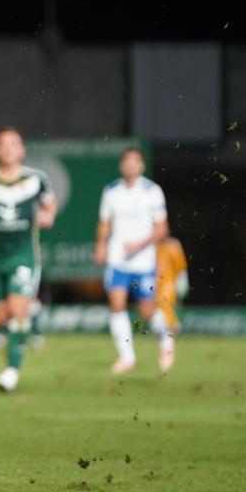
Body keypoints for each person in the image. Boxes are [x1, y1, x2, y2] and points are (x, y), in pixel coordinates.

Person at [0, 128, 56, 392]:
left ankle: (11, 371)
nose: (8, 149)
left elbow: (50, 205)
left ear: (22, 150)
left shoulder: (37, 179)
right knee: (0, 318)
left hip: (23, 255)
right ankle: (33, 311)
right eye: (3, 145)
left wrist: (48, 215)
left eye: (13, 145)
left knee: (17, 314)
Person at [93, 147, 172, 373]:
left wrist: (139, 244)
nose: (130, 165)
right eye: (126, 161)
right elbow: (105, 222)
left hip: (144, 261)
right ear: (121, 165)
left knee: (146, 311)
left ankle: (167, 339)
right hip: (118, 260)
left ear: (142, 166)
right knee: (117, 305)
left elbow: (162, 229)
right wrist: (100, 246)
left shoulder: (152, 191)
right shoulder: (111, 191)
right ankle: (127, 357)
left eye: (135, 161)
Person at [155, 236, 189, 339]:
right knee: (159, 307)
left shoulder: (173, 244)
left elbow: (181, 266)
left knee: (164, 304)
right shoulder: (153, 245)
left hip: (170, 283)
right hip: (156, 283)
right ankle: (168, 330)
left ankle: (174, 328)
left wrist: (182, 281)